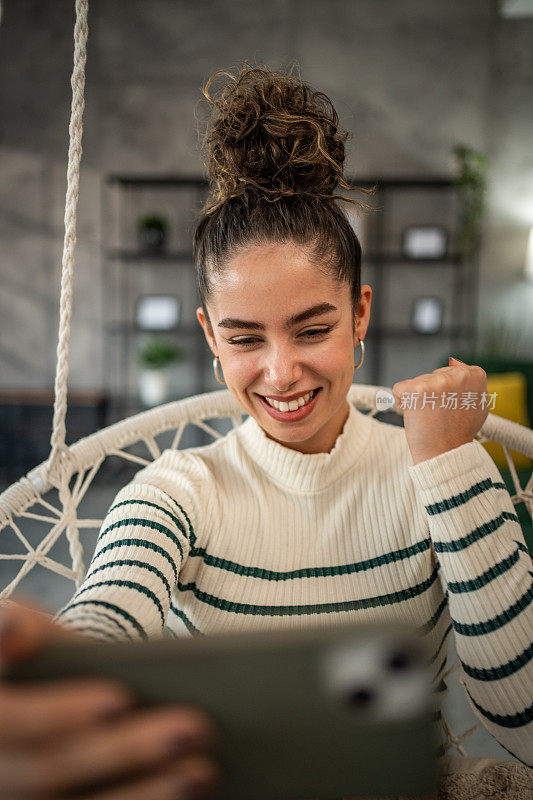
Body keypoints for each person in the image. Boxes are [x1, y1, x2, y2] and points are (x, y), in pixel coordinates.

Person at [1, 66, 532, 799]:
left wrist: (448, 461)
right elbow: (106, 614)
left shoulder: (438, 475)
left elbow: (523, 724)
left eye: (312, 328)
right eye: (244, 338)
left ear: (360, 315)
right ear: (209, 339)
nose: (280, 373)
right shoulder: (177, 492)